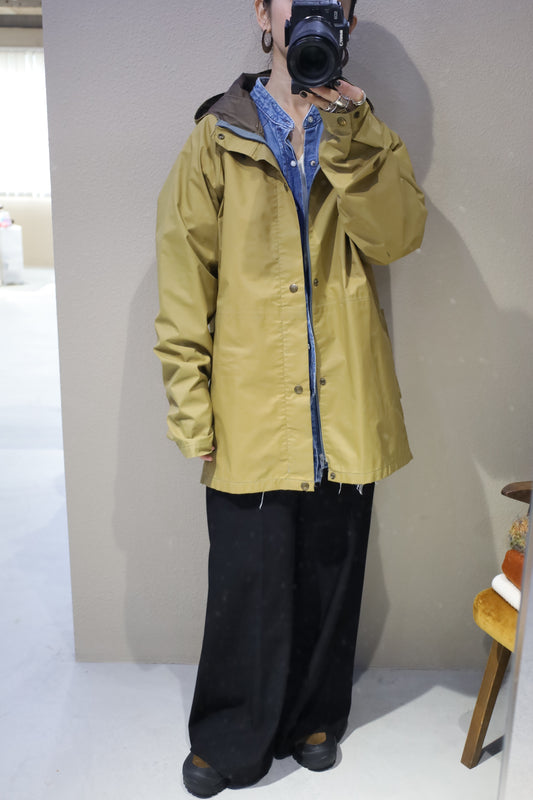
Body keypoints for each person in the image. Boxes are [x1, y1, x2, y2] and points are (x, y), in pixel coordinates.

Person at [154, 1, 427, 796]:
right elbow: (183, 281)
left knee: (330, 573)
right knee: (246, 580)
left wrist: (354, 135)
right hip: (250, 400)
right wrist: (190, 404)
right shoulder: (218, 136)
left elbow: (396, 237)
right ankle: (230, 735)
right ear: (263, 14)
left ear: (344, 24)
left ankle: (314, 717)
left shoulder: (364, 132)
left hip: (343, 400)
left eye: (329, 2)